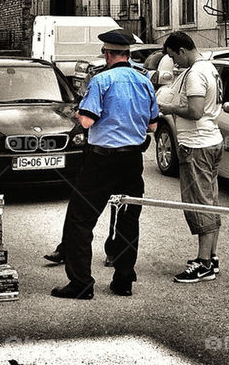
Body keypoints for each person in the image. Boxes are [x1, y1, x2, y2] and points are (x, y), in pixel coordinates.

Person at [50, 28, 158, 299]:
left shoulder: (101, 80)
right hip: (132, 160)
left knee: (80, 220)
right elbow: (153, 125)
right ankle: (123, 281)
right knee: (127, 220)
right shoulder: (144, 81)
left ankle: (81, 284)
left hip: (101, 160)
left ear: (107, 54)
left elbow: (86, 121)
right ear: (128, 54)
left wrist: (74, 114)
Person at [157, 31, 223, 283]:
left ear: (183, 51)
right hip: (211, 140)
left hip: (197, 145)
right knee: (210, 201)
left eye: (174, 57)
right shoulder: (210, 68)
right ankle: (211, 257)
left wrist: (168, 108)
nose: (174, 63)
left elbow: (195, 111)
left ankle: (203, 263)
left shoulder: (195, 73)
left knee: (198, 204)